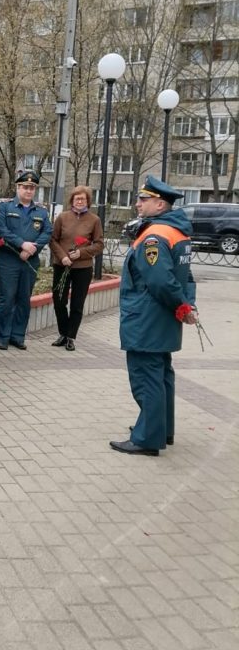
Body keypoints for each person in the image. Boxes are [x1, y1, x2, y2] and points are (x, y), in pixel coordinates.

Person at [111, 176, 197, 457]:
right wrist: (186, 305)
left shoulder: (154, 235)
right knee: (161, 375)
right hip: (164, 319)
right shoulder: (178, 231)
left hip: (147, 317)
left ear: (159, 204)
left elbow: (160, 280)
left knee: (146, 377)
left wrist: (181, 306)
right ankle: (162, 429)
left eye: (142, 200)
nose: (137, 204)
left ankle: (147, 438)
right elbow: (187, 278)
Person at [0, 170, 53, 351]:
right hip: (8, 260)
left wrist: (32, 248)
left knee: (23, 299)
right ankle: (3, 337)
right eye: (25, 187)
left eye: (32, 188)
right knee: (6, 298)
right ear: (18, 187)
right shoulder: (5, 207)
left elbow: (47, 232)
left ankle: (17, 336)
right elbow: (2, 230)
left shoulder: (41, 212)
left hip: (30, 261)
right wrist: (22, 244)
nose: (29, 191)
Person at [49, 185, 104, 351]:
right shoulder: (62, 218)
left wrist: (81, 253)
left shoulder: (94, 220)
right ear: (72, 200)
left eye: (83, 199)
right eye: (77, 198)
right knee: (59, 301)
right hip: (62, 265)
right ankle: (63, 333)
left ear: (88, 201)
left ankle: (71, 337)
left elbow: (99, 244)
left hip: (83, 268)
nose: (80, 201)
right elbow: (53, 240)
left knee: (77, 304)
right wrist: (63, 256)